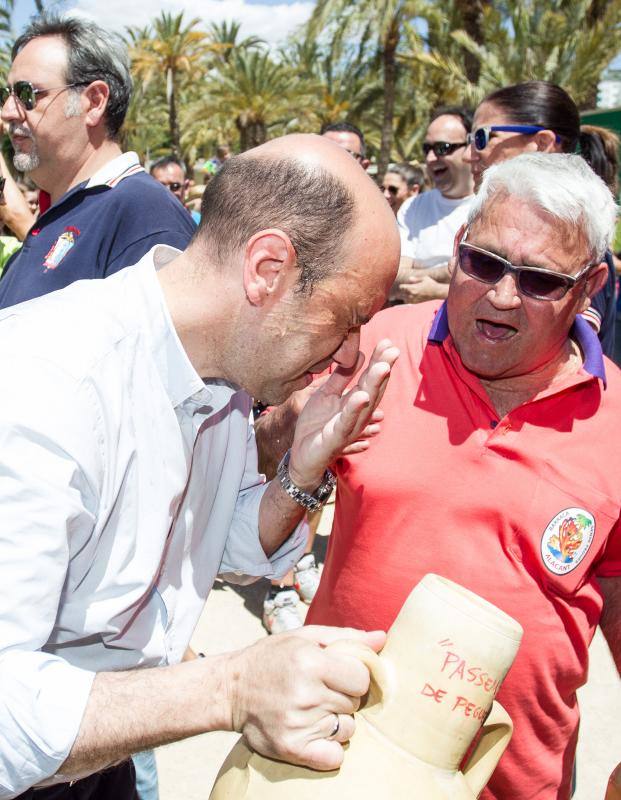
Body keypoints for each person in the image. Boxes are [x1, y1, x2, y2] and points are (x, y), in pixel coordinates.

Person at [0, 133, 402, 799]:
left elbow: (217, 547)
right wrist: (233, 686)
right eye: (351, 314)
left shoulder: (218, 377)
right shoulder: (46, 385)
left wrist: (300, 471)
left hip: (98, 765)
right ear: (268, 268)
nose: (351, 350)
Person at [303, 153, 621, 800]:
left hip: (511, 784)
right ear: (457, 247)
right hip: (329, 765)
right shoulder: (375, 351)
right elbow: (255, 489)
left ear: (589, 288)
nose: (501, 297)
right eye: (483, 264)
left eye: (539, 282)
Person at [0, 14, 196, 310]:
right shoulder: (66, 212)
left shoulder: (144, 214)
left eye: (27, 94)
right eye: (6, 94)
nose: (8, 112)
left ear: (94, 102)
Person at [465, 80, 617, 357]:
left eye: (541, 280)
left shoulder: (584, 254)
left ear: (543, 142)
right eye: (482, 262)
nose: (469, 155)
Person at [395, 106, 474, 304]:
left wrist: (437, 291)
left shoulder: (491, 207)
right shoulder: (412, 208)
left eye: (442, 148)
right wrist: (453, 270)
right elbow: (394, 280)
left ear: (471, 147)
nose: (430, 158)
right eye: (426, 149)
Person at [149, 155, 200, 224]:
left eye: (174, 186)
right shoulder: (141, 224)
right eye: (160, 186)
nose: (167, 192)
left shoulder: (202, 225)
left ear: (186, 188)